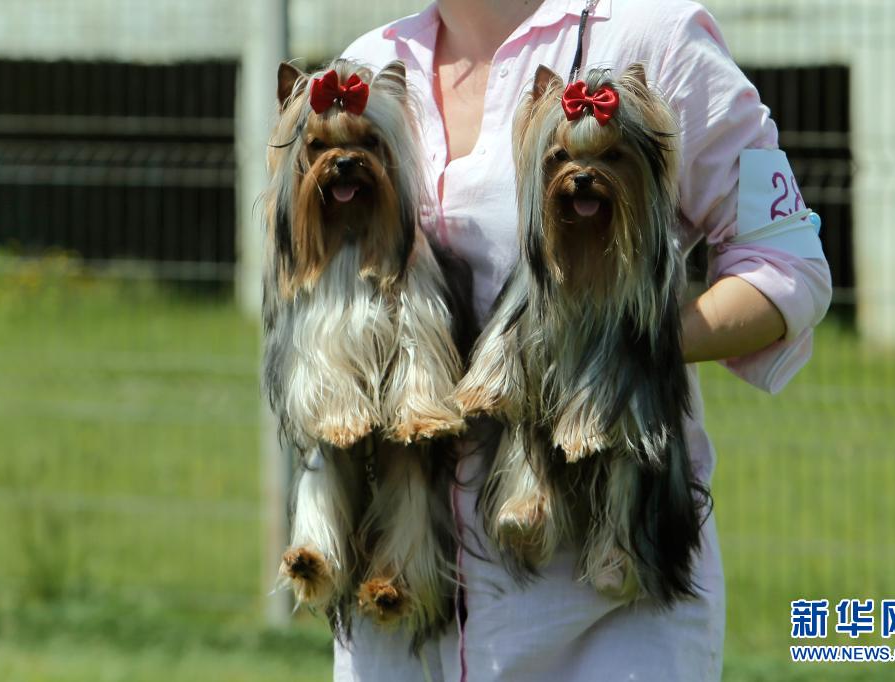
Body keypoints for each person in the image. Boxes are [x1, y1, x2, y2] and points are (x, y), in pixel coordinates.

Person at [335, 1, 833, 679]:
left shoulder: (656, 37)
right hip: (396, 618)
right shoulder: (366, 65)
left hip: (608, 611)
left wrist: (619, 350)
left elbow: (787, 263)